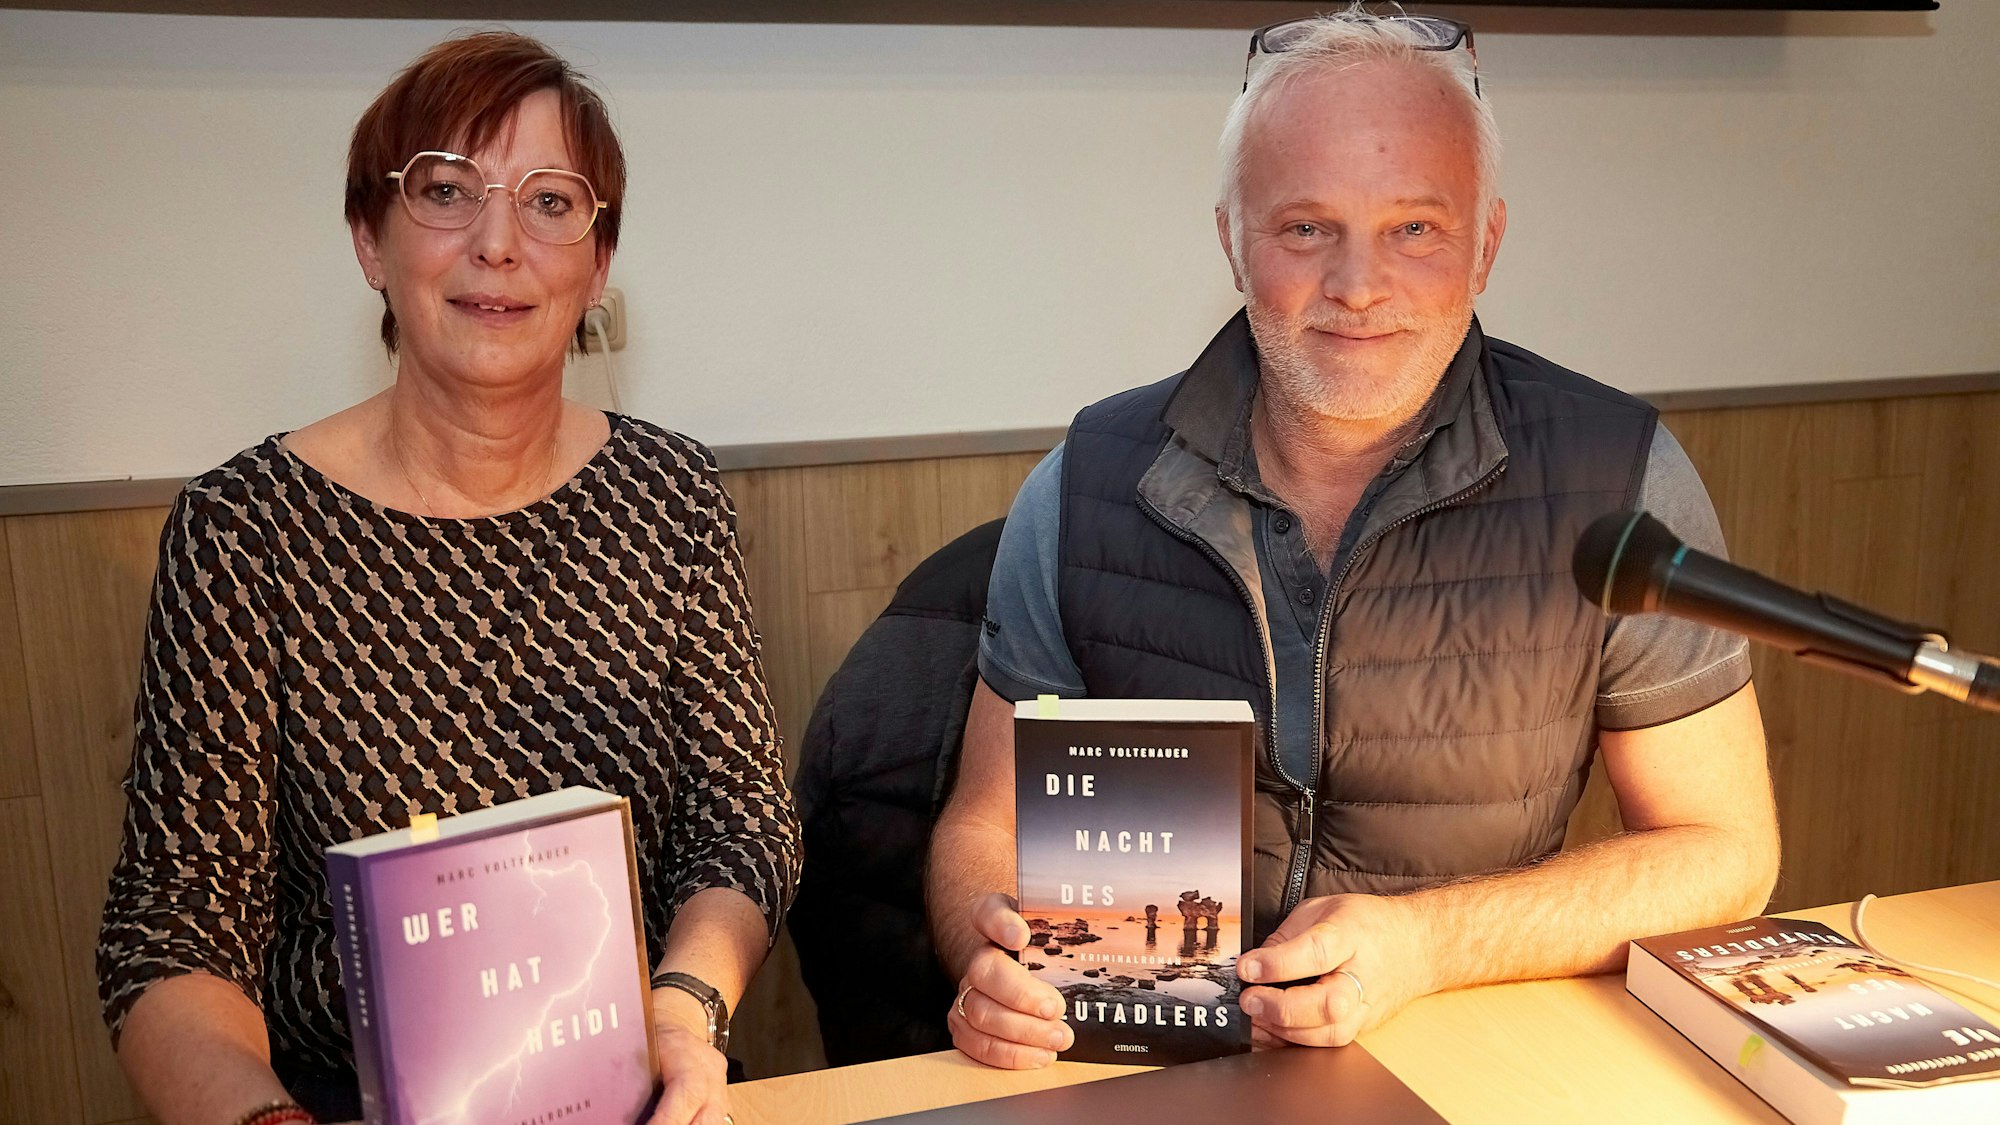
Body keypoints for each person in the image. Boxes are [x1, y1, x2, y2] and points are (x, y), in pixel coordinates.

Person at [926, 8, 1780, 1069]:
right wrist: (990, 954)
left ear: (1485, 244)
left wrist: (1426, 942)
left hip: (1465, 1053)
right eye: (1303, 229)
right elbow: (982, 825)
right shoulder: (1086, 479)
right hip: (1145, 1074)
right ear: (1232, 244)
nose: (1357, 286)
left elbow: (1720, 848)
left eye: (1414, 228)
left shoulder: (1616, 482)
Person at [95, 32, 799, 1125]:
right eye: (445, 192)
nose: (497, 244)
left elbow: (739, 816)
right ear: (369, 240)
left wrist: (685, 1011)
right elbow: (172, 926)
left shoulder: (671, 492)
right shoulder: (243, 530)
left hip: (645, 1083)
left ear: (598, 262)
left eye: (551, 202)